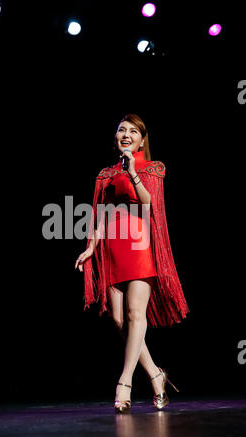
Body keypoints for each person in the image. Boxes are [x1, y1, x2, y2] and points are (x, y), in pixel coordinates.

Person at [75, 114, 189, 412]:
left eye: (133, 131)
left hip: (140, 245)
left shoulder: (152, 168)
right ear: (116, 138)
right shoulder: (105, 174)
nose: (126, 134)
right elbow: (101, 215)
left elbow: (147, 202)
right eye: (121, 130)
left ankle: (124, 382)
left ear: (141, 140)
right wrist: (90, 248)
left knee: (136, 314)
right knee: (118, 319)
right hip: (112, 249)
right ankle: (155, 374)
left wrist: (132, 171)